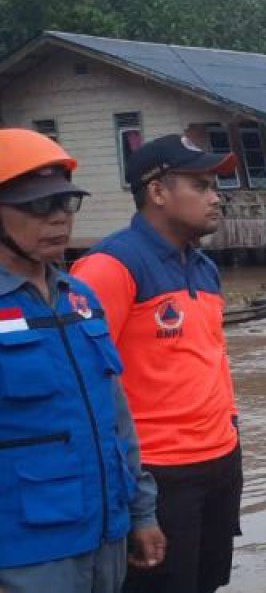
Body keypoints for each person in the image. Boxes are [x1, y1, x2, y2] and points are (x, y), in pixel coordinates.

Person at [72, 135, 242, 593]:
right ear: (158, 192)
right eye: (201, 186)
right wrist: (131, 497)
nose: (215, 198)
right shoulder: (111, 267)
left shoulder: (203, 267)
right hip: (158, 473)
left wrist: (232, 429)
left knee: (207, 582)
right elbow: (84, 383)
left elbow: (212, 359)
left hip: (220, 459)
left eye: (214, 187)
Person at [0, 128, 163, 593]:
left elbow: (116, 419)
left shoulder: (81, 299)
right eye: (37, 205)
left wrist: (142, 513)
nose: (58, 218)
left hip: (104, 536)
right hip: (25, 553)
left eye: (65, 202)